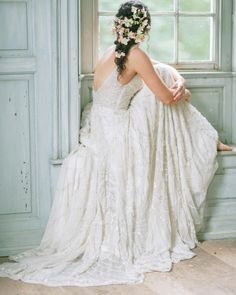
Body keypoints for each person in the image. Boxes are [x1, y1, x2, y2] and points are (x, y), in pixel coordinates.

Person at [0, 0, 233, 287]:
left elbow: (159, 70)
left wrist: (177, 78)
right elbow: (166, 97)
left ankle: (211, 139)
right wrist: (183, 92)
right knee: (167, 96)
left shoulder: (112, 51)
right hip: (118, 132)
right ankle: (210, 140)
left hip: (99, 125)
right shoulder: (136, 55)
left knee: (166, 76)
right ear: (144, 30)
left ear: (118, 25)